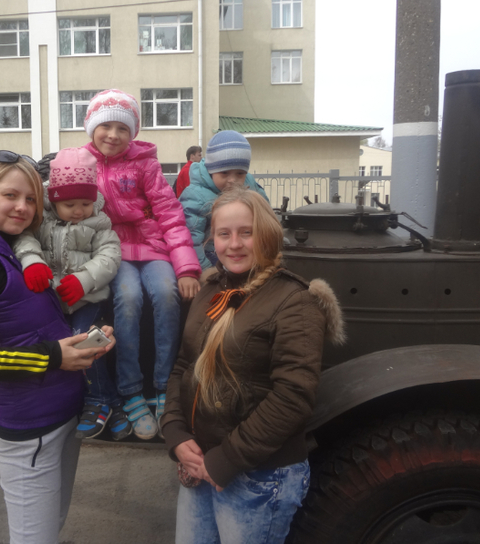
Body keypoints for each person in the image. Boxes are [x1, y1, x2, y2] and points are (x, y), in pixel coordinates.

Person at [0, 150, 116, 544]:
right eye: (11, 195)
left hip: (64, 415)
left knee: (51, 527)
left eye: (32, 199)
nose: (23, 207)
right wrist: (55, 356)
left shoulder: (21, 248)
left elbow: (37, 325)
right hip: (30, 427)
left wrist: (86, 342)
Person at [161, 187, 344, 544]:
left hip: (258, 476)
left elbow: (292, 397)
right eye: (224, 234)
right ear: (212, 239)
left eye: (247, 232)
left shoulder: (295, 301)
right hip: (201, 461)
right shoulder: (209, 290)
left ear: (267, 235)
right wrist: (175, 432)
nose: (234, 244)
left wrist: (226, 459)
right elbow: (183, 366)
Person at [81, 88, 202, 440]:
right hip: (112, 250)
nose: (113, 135)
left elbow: (169, 213)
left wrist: (186, 268)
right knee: (129, 298)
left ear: (133, 133)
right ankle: (131, 389)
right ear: (91, 128)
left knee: (166, 293)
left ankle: (164, 387)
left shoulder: (145, 165)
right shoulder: (83, 163)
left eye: (123, 128)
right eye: (106, 126)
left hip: (153, 247)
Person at [13, 147, 129, 441]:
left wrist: (84, 279)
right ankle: (112, 404)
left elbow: (110, 255)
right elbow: (25, 238)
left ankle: (98, 401)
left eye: (86, 203)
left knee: (86, 341)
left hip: (87, 299)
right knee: (58, 346)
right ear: (53, 200)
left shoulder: (98, 222)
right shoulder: (41, 220)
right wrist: (32, 261)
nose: (79, 211)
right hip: (52, 300)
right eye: (70, 204)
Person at [180, 130, 270, 273]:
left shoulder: (251, 187)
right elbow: (190, 239)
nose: (233, 180)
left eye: (240, 173)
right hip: (211, 255)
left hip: (246, 249)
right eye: (224, 173)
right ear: (211, 171)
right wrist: (206, 270)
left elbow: (266, 217)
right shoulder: (196, 196)